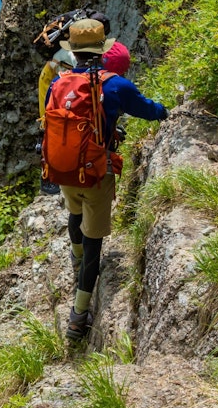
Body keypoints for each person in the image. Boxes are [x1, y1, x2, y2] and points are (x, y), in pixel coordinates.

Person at [49, 17, 168, 340]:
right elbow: (146, 109)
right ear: (103, 50)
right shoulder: (115, 85)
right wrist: (165, 111)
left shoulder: (57, 83)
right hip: (96, 172)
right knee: (94, 243)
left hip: (64, 169)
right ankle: (78, 314)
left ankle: (74, 261)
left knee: (75, 215)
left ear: (72, 49)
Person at [38, 11, 130, 194]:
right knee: (53, 123)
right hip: (52, 79)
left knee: (58, 122)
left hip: (53, 77)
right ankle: (49, 176)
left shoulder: (82, 45)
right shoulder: (79, 57)